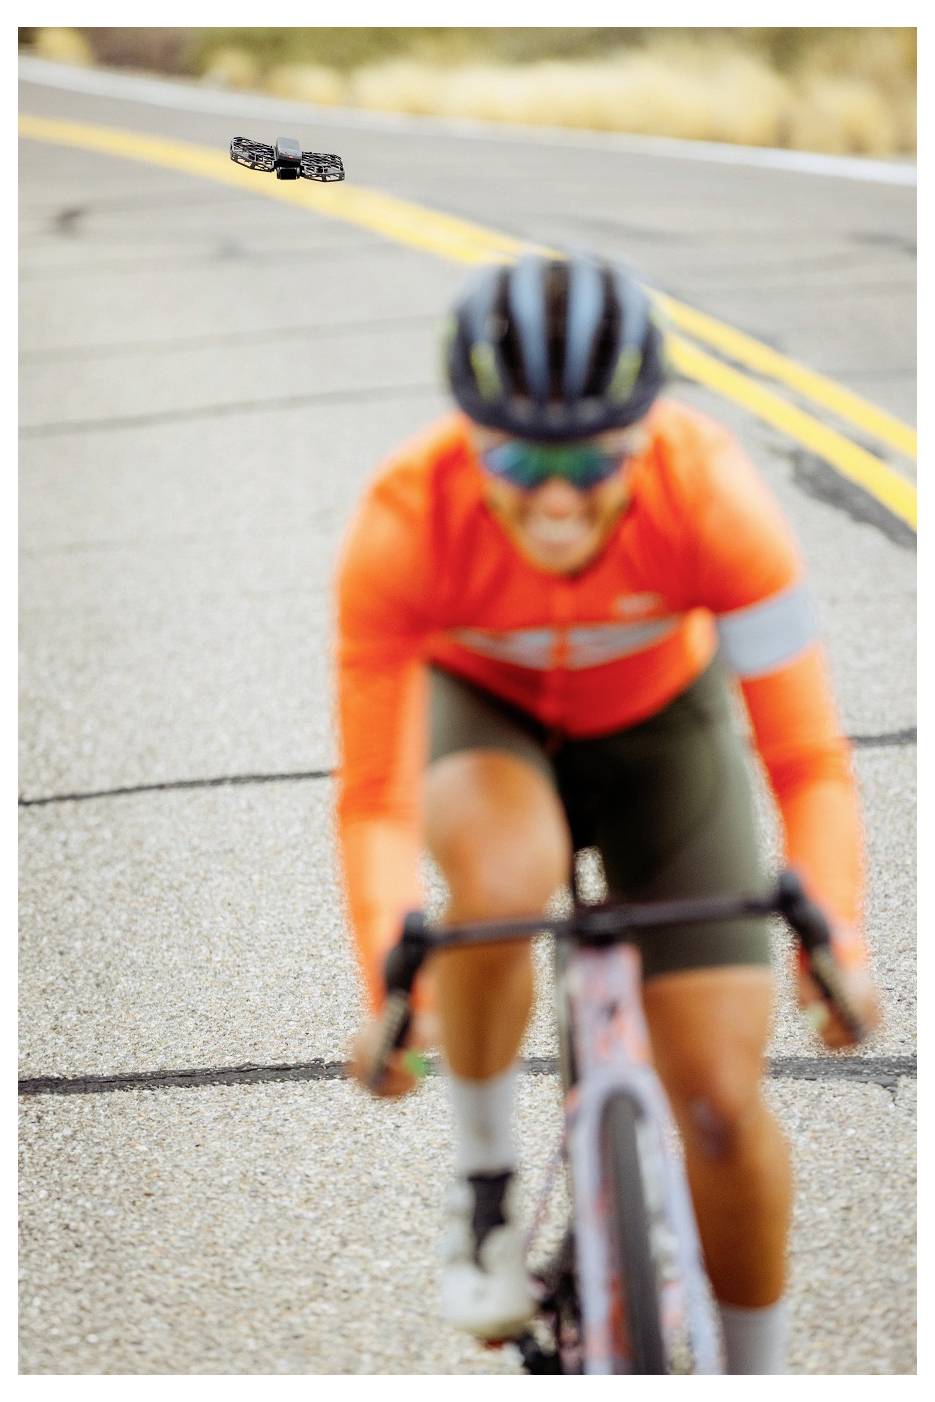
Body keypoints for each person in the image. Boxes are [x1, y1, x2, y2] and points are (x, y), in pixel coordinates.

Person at [333, 252, 880, 1374]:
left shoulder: (716, 499)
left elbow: (808, 761)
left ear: (645, 432)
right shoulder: (403, 521)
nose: (553, 495)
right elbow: (378, 797)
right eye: (518, 456)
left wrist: (837, 941)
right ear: (467, 434)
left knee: (721, 1107)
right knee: (500, 880)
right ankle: (486, 1185)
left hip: (657, 734)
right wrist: (390, 974)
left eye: (590, 460)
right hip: (488, 727)